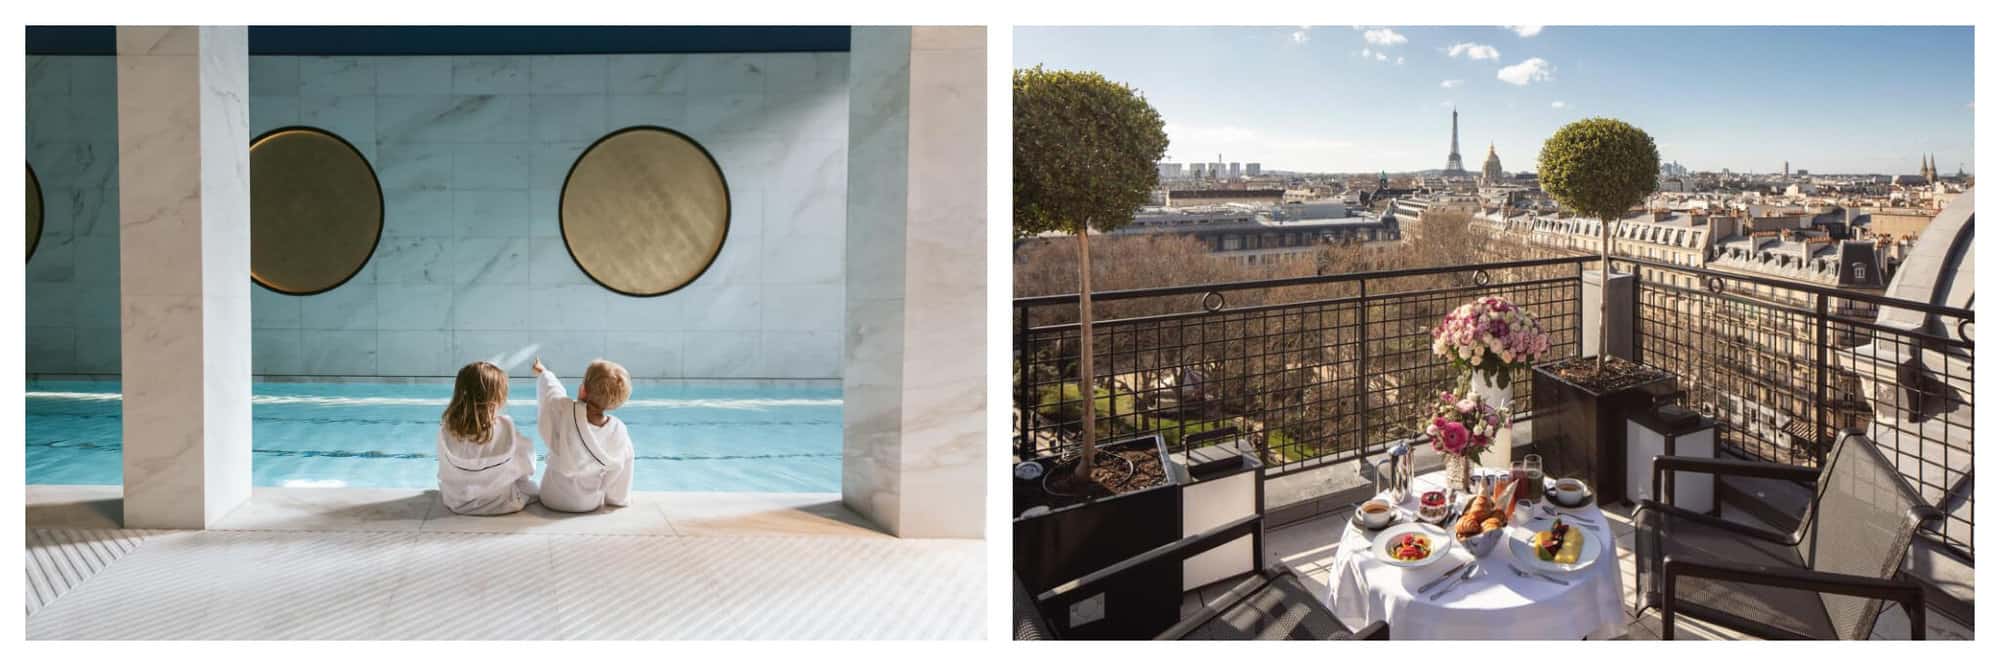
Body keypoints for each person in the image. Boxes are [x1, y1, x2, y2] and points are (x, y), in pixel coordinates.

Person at [533, 356, 635, 512]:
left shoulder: (564, 411)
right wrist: (617, 499)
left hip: (550, 497)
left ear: (582, 390)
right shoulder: (617, 431)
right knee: (625, 452)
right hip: (588, 503)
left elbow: (552, 392)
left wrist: (544, 373)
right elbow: (623, 466)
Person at [436, 361, 537, 515]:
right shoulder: (505, 427)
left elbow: (444, 470)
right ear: (497, 398)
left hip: (457, 502)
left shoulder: (447, 429)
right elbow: (529, 465)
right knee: (528, 483)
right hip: (501, 503)